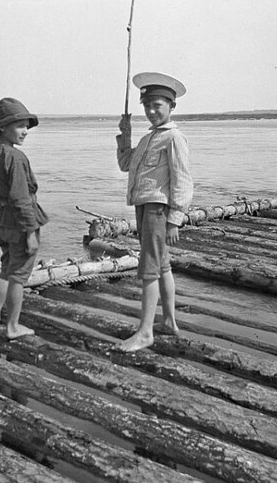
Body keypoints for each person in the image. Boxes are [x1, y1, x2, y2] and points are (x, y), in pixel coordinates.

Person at [116, 72, 193, 352]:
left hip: (157, 209)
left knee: (149, 268)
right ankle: (169, 322)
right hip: (144, 206)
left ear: (171, 106)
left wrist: (175, 219)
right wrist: (124, 136)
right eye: (147, 106)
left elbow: (183, 180)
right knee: (161, 265)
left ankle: (145, 332)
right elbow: (126, 164)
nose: (151, 112)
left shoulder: (174, 138)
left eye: (157, 106)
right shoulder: (150, 138)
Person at [0, 97, 49, 340]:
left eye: (26, 126)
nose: (25, 131)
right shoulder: (16, 157)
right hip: (20, 223)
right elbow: (22, 198)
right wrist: (31, 232)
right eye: (20, 126)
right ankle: (12, 326)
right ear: (3, 128)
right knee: (19, 277)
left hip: (2, 221)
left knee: (6, 271)